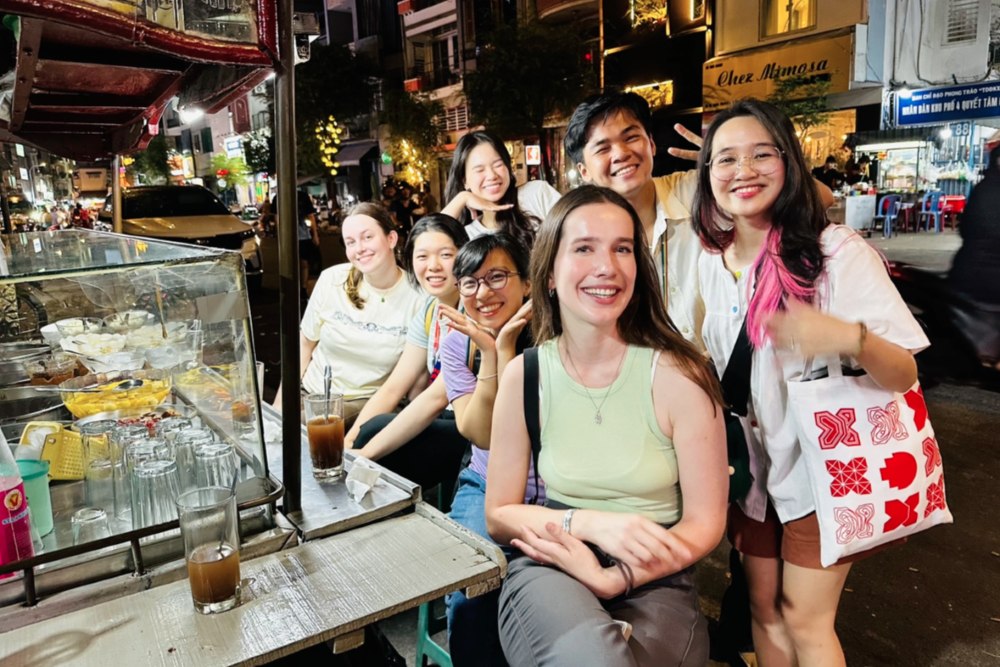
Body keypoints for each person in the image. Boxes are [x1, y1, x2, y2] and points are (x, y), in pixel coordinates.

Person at [692, 98, 928, 666]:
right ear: (707, 175)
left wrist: (849, 337)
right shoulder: (709, 259)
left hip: (825, 471)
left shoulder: (835, 252)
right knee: (764, 609)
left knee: (805, 618)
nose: (743, 170)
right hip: (753, 470)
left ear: (789, 162)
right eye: (726, 159)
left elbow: (905, 373)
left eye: (761, 154)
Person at [483, 185, 727, 666]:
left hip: (658, 572)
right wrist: (590, 523)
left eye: (622, 249)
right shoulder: (525, 375)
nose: (607, 267)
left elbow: (705, 522)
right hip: (553, 561)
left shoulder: (680, 375)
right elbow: (499, 514)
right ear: (549, 274)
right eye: (584, 249)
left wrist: (619, 576)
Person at [437, 232, 536, 666]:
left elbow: (528, 427)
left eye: (497, 277)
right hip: (486, 483)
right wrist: (493, 354)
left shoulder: (559, 334)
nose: (483, 293)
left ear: (528, 283)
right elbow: (481, 433)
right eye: (470, 282)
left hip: (560, 489)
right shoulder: (458, 344)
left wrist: (510, 345)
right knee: (471, 595)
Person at [273, 202, 424, 430]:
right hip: (311, 393)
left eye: (367, 237)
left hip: (365, 403)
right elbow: (304, 345)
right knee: (271, 431)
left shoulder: (417, 296)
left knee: (295, 434)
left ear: (391, 239)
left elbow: (406, 382)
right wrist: (277, 410)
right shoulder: (332, 279)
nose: (359, 248)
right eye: (350, 242)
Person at [347, 215, 472, 490]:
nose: (433, 266)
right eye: (422, 256)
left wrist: (365, 454)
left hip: (472, 428)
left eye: (446, 255)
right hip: (442, 417)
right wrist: (348, 443)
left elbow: (436, 397)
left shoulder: (473, 309)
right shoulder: (430, 309)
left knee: (377, 445)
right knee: (369, 430)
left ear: (465, 256)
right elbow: (394, 387)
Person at [947, 144, 1000, 367]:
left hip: (968, 269)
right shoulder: (991, 192)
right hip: (984, 278)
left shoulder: (982, 188)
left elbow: (964, 229)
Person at [442, 131, 542, 248]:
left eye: (498, 165)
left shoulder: (536, 194)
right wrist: (462, 198)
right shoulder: (467, 236)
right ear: (465, 181)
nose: (492, 175)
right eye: (479, 170)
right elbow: (429, 241)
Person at [272, 189, 320, 298]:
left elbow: (310, 215)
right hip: (290, 236)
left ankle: (303, 287)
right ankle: (295, 287)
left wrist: (315, 234)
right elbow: (277, 217)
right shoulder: (278, 197)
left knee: (303, 262)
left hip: (302, 234)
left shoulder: (302, 196)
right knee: (292, 263)